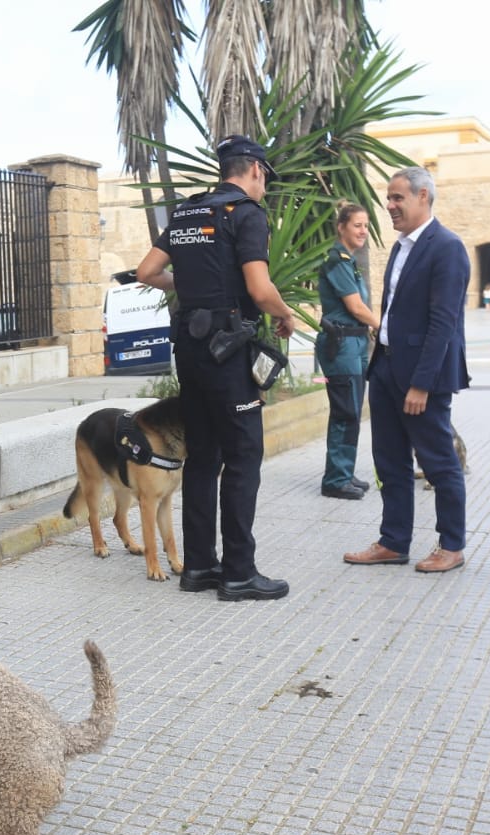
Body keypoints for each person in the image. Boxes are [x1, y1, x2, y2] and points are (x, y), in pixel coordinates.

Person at [135, 134, 296, 602]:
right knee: (244, 457)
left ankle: (200, 567)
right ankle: (239, 573)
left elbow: (147, 272)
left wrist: (187, 285)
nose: (264, 187)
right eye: (265, 179)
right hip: (228, 351)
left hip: (189, 347)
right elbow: (260, 289)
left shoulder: (187, 211)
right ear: (255, 171)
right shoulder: (246, 215)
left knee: (203, 456)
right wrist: (284, 315)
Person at [342, 166, 470, 574]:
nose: (389, 205)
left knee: (438, 462)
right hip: (385, 370)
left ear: (423, 197)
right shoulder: (401, 247)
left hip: (419, 380)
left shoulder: (446, 247)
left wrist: (422, 384)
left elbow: (443, 323)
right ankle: (394, 541)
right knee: (388, 461)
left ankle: (451, 545)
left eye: (398, 197)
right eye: (389, 196)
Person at [315, 201, 378, 500]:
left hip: (354, 344)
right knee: (344, 412)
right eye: (357, 225)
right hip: (341, 347)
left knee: (351, 411)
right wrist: (381, 325)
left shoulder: (348, 262)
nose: (363, 230)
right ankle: (335, 480)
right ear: (341, 227)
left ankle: (344, 472)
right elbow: (355, 307)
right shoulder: (336, 261)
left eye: (366, 225)